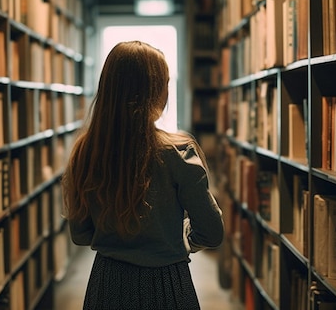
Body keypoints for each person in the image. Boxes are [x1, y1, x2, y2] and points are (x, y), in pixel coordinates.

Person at [62, 40, 224, 310]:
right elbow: (211, 232)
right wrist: (179, 235)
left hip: (107, 284)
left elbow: (80, 234)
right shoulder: (178, 153)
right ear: (157, 90)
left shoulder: (86, 151)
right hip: (168, 283)